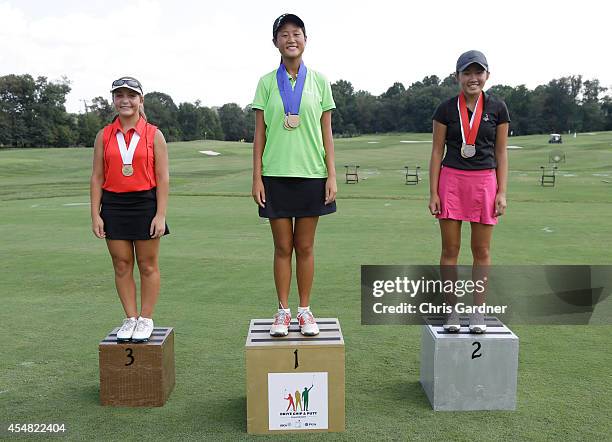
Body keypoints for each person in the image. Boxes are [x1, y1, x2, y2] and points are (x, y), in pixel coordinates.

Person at [251, 14, 337, 337]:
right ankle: (282, 312)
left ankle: (305, 311)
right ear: (275, 42)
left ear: (305, 39)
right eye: (284, 34)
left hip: (312, 175)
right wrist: (256, 177)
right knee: (282, 247)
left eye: (296, 33)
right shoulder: (265, 83)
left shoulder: (320, 81)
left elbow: (326, 132)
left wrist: (331, 175)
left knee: (306, 247)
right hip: (274, 175)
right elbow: (259, 134)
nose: (291, 38)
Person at [428, 50, 510, 333]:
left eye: (478, 72)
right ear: (457, 76)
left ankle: (477, 312)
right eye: (467, 73)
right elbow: (437, 151)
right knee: (450, 250)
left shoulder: (498, 108)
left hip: (485, 183)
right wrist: (433, 192)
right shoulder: (446, 109)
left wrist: (502, 191)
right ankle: (452, 312)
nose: (473, 78)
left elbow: (501, 152)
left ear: (487, 75)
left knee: (482, 250)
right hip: (451, 181)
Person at [90, 76, 170, 342]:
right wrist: (95, 214)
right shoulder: (104, 135)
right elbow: (97, 177)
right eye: (119, 95)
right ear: (113, 99)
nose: (125, 100)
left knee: (148, 265)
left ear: (140, 100)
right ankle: (130, 318)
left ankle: (146, 318)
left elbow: (163, 177)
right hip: (113, 204)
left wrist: (160, 214)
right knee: (121, 264)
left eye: (131, 95)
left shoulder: (153, 134)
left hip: (145, 203)